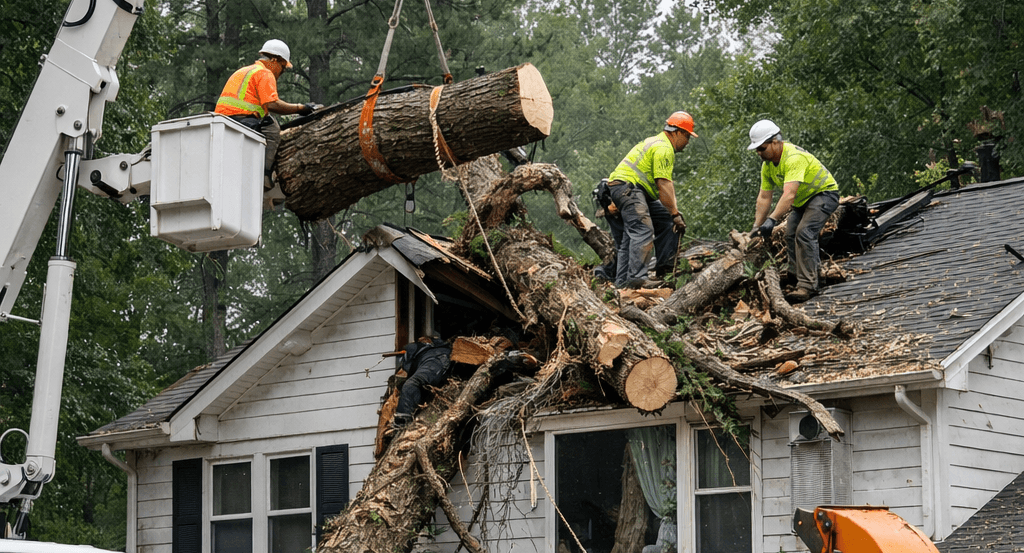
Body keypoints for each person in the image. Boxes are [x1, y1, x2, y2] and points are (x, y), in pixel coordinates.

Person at [747, 119, 840, 303]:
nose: (759, 153)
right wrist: (757, 226)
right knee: (790, 233)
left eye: (762, 148)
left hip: (823, 194)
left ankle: (808, 286)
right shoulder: (767, 166)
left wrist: (772, 220)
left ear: (775, 141)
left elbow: (789, 195)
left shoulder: (793, 158)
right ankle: (795, 276)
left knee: (804, 233)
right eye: (757, 149)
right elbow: (765, 197)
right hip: (803, 200)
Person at [598, 112, 693, 289]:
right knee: (642, 229)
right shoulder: (664, 148)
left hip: (625, 189)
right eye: (687, 136)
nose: (687, 142)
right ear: (676, 132)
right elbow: (664, 185)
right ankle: (637, 278)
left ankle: (626, 282)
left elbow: (664, 189)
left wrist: (672, 214)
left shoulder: (655, 141)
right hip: (629, 188)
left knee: (646, 228)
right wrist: (675, 213)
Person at [214, 39, 318, 196]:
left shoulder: (245, 71)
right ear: (274, 60)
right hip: (242, 120)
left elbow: (257, 105)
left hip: (221, 121)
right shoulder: (265, 73)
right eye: (282, 67)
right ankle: (264, 174)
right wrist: (300, 108)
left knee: (268, 120)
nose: (281, 72)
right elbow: (272, 104)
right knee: (273, 129)